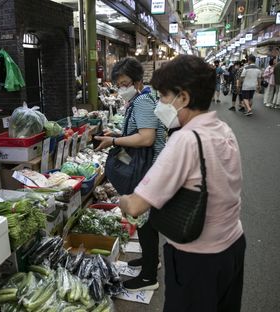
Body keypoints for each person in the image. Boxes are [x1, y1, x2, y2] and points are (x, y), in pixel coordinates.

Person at [119, 55, 245, 312]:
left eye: (164, 97)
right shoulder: (222, 128)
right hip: (232, 246)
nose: (160, 105)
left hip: (199, 258)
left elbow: (135, 206)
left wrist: (120, 199)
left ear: (184, 98)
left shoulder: (185, 140)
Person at [94, 57, 166, 291]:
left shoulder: (143, 101)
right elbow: (139, 131)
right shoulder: (140, 99)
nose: (121, 88)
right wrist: (115, 132)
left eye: (125, 83)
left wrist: (113, 139)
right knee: (147, 219)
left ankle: (148, 277)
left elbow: (146, 138)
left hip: (147, 168)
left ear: (137, 82)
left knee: (143, 219)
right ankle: (150, 260)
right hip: (147, 165)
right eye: (119, 83)